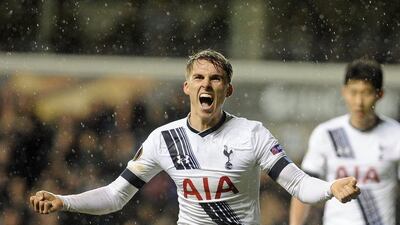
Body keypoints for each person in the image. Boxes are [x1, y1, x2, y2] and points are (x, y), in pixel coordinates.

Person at [30, 49, 361, 225]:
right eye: (199, 77)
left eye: (216, 79)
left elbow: (299, 184)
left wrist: (331, 187)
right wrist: (64, 202)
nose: (207, 84)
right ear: (187, 87)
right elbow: (116, 196)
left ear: (227, 90)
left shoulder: (252, 134)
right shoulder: (164, 139)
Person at [289, 58, 400, 225]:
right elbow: (304, 185)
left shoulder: (395, 134)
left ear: (379, 94)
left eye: (366, 92)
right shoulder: (326, 134)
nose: (359, 102)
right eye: (354, 92)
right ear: (344, 92)